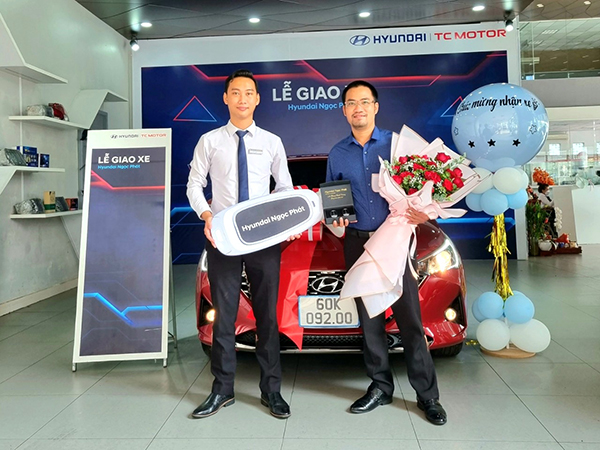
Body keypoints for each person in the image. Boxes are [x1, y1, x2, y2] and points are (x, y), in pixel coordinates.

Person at [326, 80, 447, 425]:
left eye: (365, 101)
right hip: (357, 242)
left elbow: (424, 187)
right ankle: (380, 386)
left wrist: (426, 211)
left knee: (410, 319)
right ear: (344, 110)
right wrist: (335, 218)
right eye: (351, 103)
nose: (358, 108)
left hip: (394, 238)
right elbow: (333, 199)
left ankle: (428, 395)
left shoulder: (397, 146)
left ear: (375, 107)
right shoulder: (337, 153)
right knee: (371, 321)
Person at [187, 69, 295, 420]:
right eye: (235, 92)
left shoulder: (272, 141)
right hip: (223, 239)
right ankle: (222, 390)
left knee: (267, 316)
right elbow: (194, 184)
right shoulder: (209, 141)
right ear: (226, 98)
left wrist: (285, 222)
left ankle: (271, 390)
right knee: (224, 317)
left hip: (263, 239)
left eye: (249, 93)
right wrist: (206, 215)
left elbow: (284, 188)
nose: (242, 98)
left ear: (257, 99)